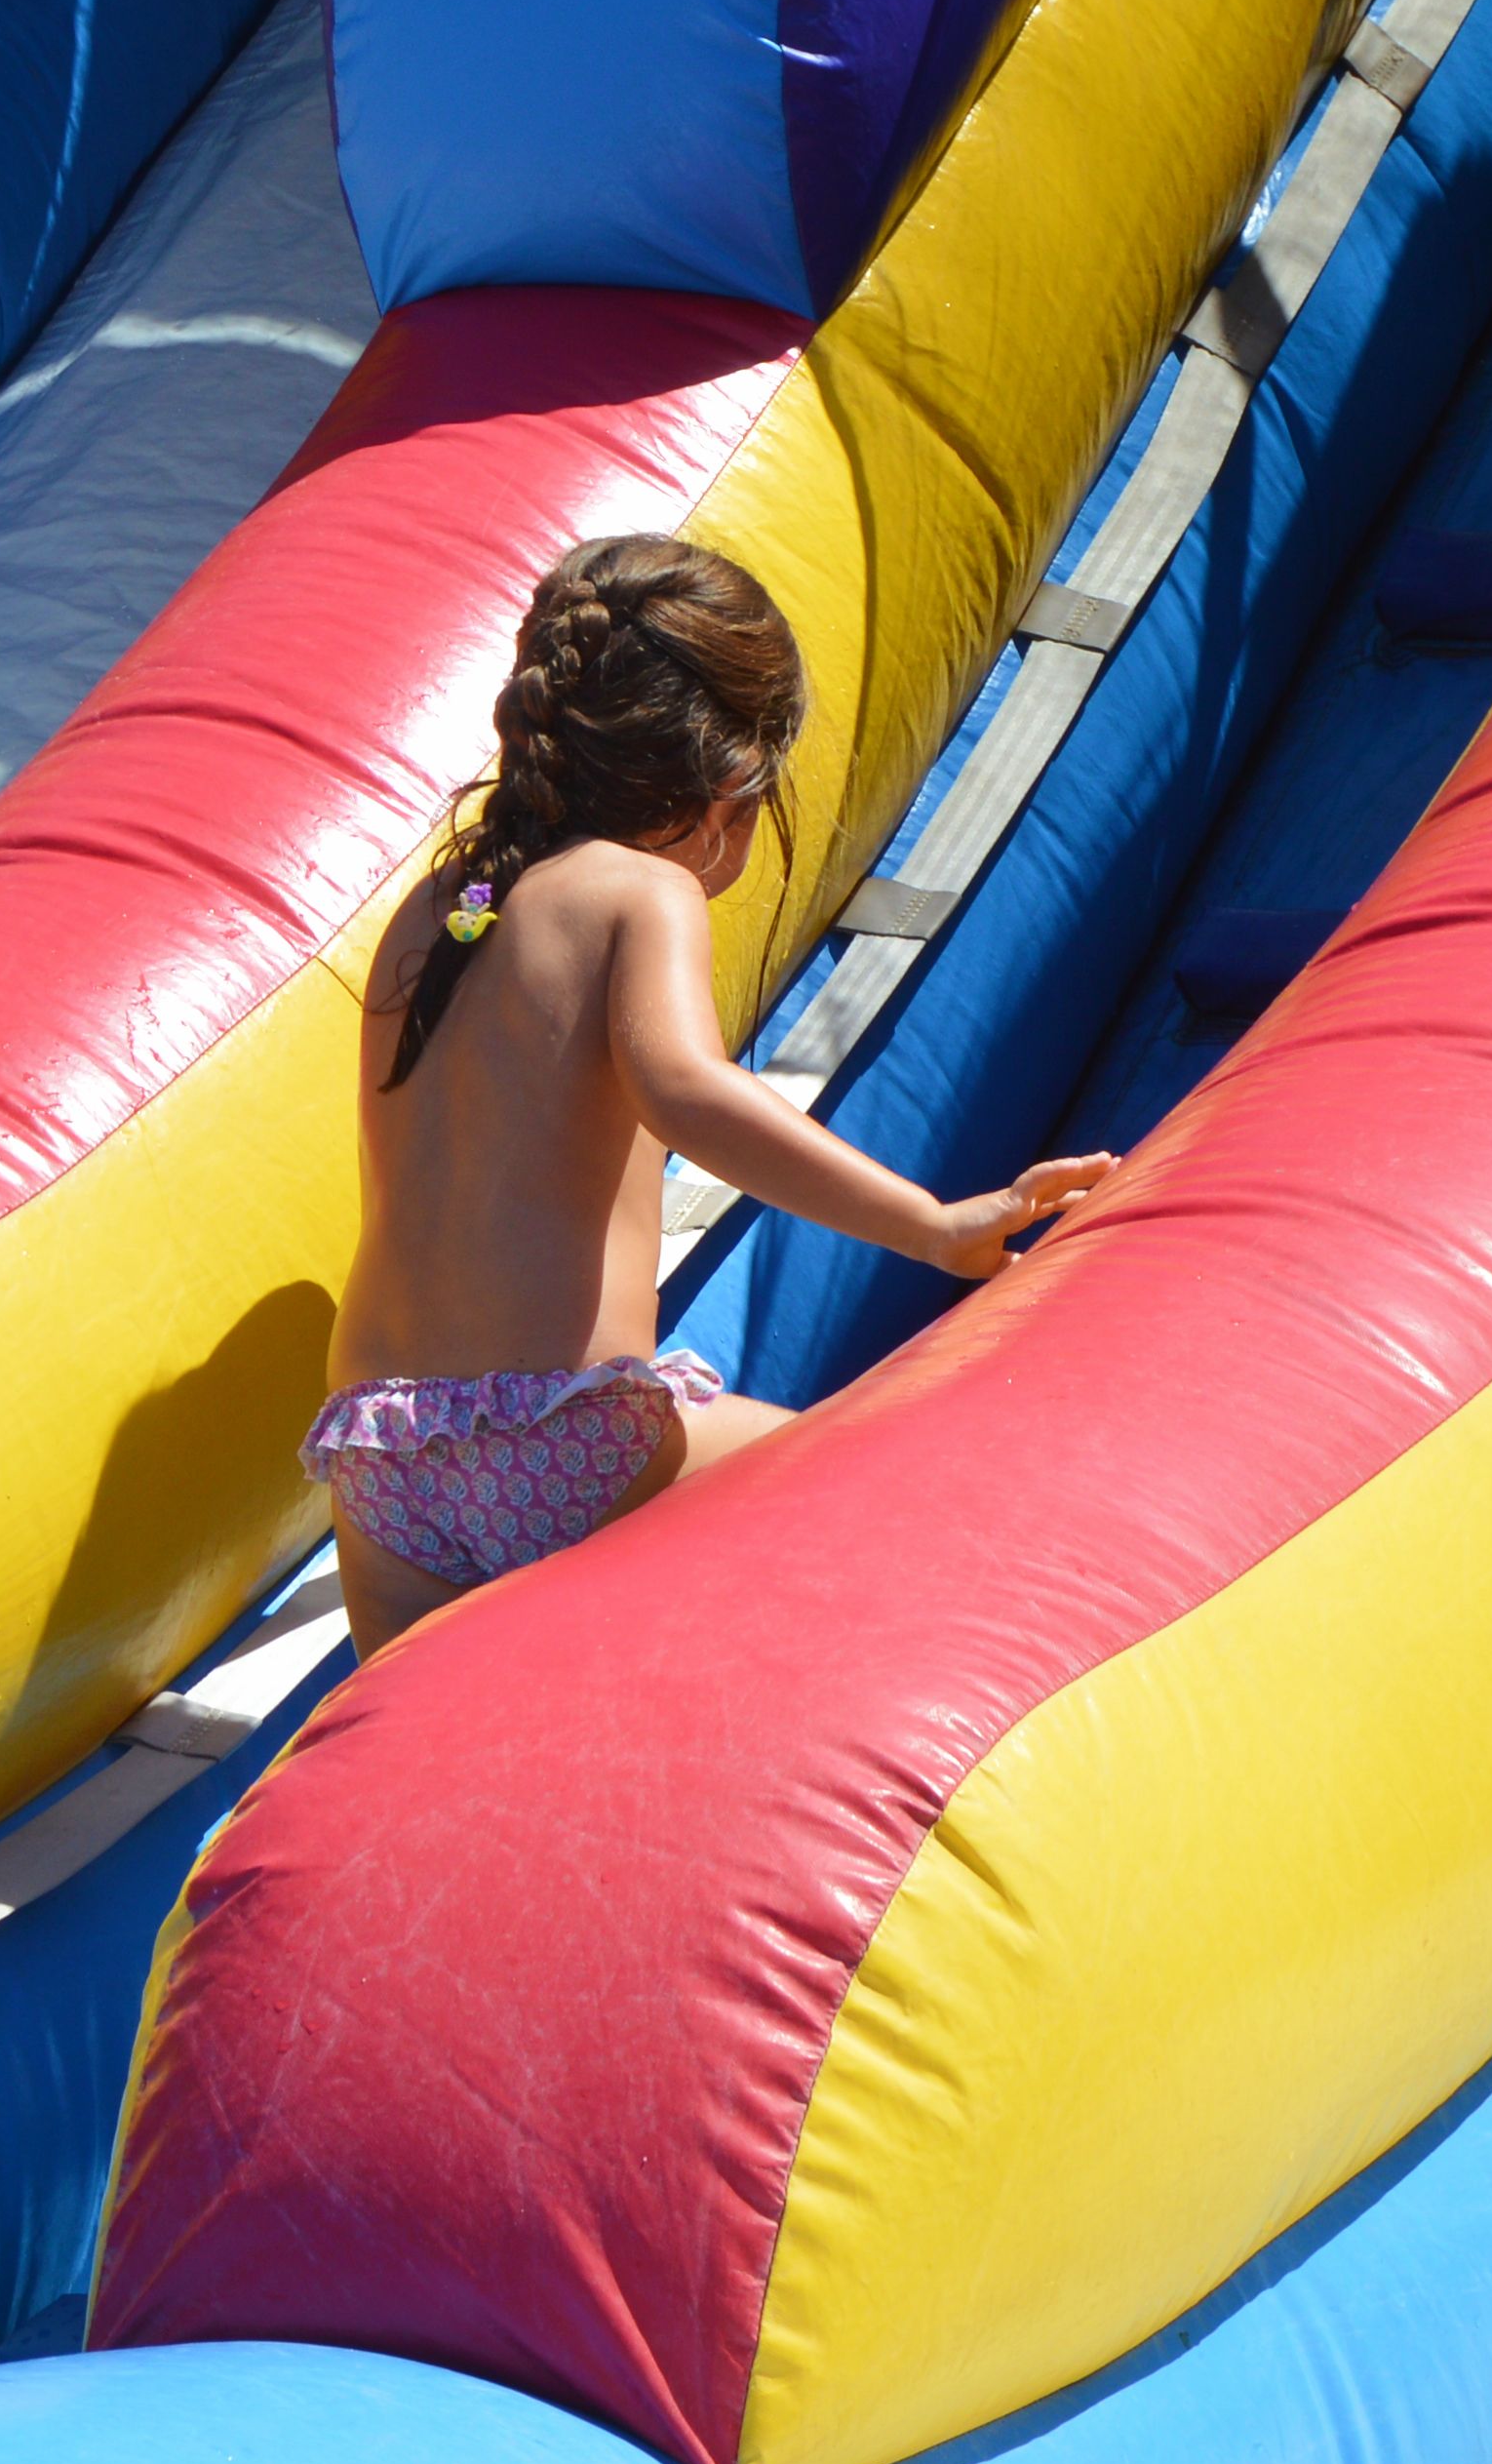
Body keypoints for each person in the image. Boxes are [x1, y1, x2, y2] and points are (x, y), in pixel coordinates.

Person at [315, 536, 1112, 1649]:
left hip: (378, 1459)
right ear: (732, 779)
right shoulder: (642, 887)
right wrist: (935, 1227)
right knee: (910, 1504)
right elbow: (683, 1088)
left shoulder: (459, 899)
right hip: (560, 1435)